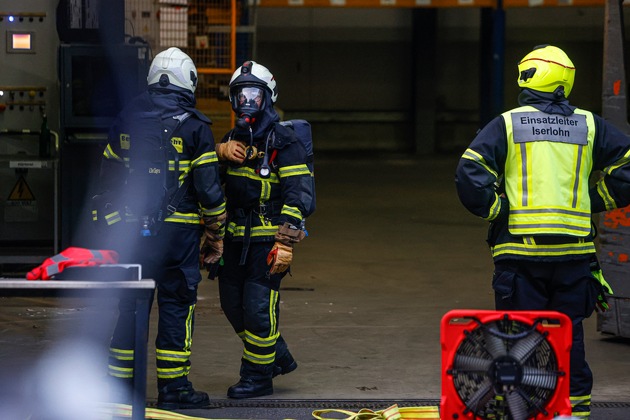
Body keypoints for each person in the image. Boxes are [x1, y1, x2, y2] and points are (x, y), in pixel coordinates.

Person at [455, 44, 630, 420]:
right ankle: (573, 412)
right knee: (568, 336)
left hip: (520, 254)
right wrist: (592, 200)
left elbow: (470, 172)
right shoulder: (589, 124)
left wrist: (497, 209)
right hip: (573, 256)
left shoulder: (506, 123)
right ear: (565, 80)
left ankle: (527, 410)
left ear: (526, 76)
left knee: (520, 339)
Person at [94, 47, 226, 409]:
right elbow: (209, 189)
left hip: (131, 233)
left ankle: (119, 388)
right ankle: (174, 389)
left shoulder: (127, 117)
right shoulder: (196, 126)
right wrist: (216, 235)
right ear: (189, 80)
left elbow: (108, 175)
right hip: (178, 237)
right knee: (177, 306)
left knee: (130, 307)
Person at [211, 60, 315, 399]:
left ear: (268, 97)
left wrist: (286, 240)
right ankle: (277, 354)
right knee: (231, 305)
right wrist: (218, 154)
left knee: (257, 308)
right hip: (233, 241)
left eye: (254, 95)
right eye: (241, 95)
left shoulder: (285, 142)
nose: (247, 103)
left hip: (267, 242)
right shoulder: (229, 141)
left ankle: (257, 377)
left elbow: (300, 193)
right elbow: (207, 184)